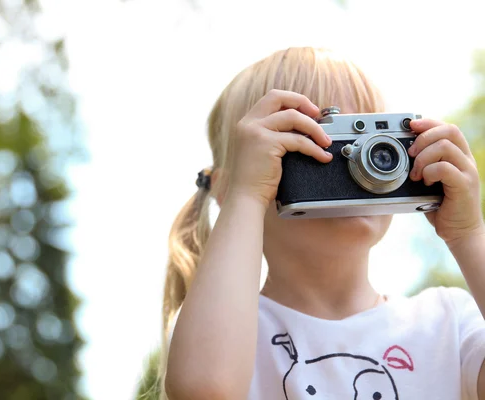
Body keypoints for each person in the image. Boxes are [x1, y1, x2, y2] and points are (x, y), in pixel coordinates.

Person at [158, 47, 485, 399]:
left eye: (373, 138)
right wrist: (248, 196)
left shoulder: (447, 323)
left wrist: (469, 234)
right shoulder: (225, 330)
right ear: (229, 191)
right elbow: (206, 390)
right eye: (315, 138)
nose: (359, 160)